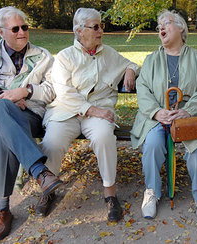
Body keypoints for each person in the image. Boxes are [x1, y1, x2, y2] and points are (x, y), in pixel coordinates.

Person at [0, 6, 62, 243]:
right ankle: (39, 171)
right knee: (2, 109)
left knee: (3, 131)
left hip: (28, 115)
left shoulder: (42, 56)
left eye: (25, 27)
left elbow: (52, 90)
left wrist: (27, 92)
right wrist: (2, 94)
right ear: (1, 32)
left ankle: (1, 209)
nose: (22, 32)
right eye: (15, 28)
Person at [40, 8, 139, 222]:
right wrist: (94, 110)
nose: (100, 30)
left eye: (101, 25)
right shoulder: (65, 57)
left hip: (98, 116)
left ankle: (110, 194)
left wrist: (130, 70)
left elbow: (131, 64)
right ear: (79, 31)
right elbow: (64, 93)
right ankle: (47, 190)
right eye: (95, 26)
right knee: (52, 142)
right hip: (67, 112)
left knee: (104, 137)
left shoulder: (109, 54)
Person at [130, 10, 197, 221]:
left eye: (166, 23)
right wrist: (157, 112)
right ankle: (151, 192)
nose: (161, 28)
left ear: (181, 28)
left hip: (188, 118)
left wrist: (188, 111)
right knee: (152, 145)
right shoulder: (151, 60)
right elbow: (143, 89)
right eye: (159, 25)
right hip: (156, 117)